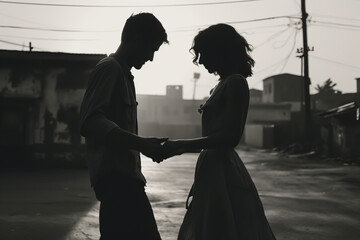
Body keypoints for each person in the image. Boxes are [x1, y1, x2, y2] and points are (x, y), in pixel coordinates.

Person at [163, 24, 277, 240]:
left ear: (219, 51)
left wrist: (180, 145)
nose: (201, 60)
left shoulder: (235, 82)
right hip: (212, 169)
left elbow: (230, 138)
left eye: (203, 54)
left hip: (223, 173)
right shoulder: (222, 84)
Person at [79, 13, 168, 240]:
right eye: (151, 49)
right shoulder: (110, 69)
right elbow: (91, 121)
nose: (151, 58)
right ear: (135, 39)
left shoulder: (124, 75)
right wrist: (142, 144)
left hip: (126, 179)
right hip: (117, 181)